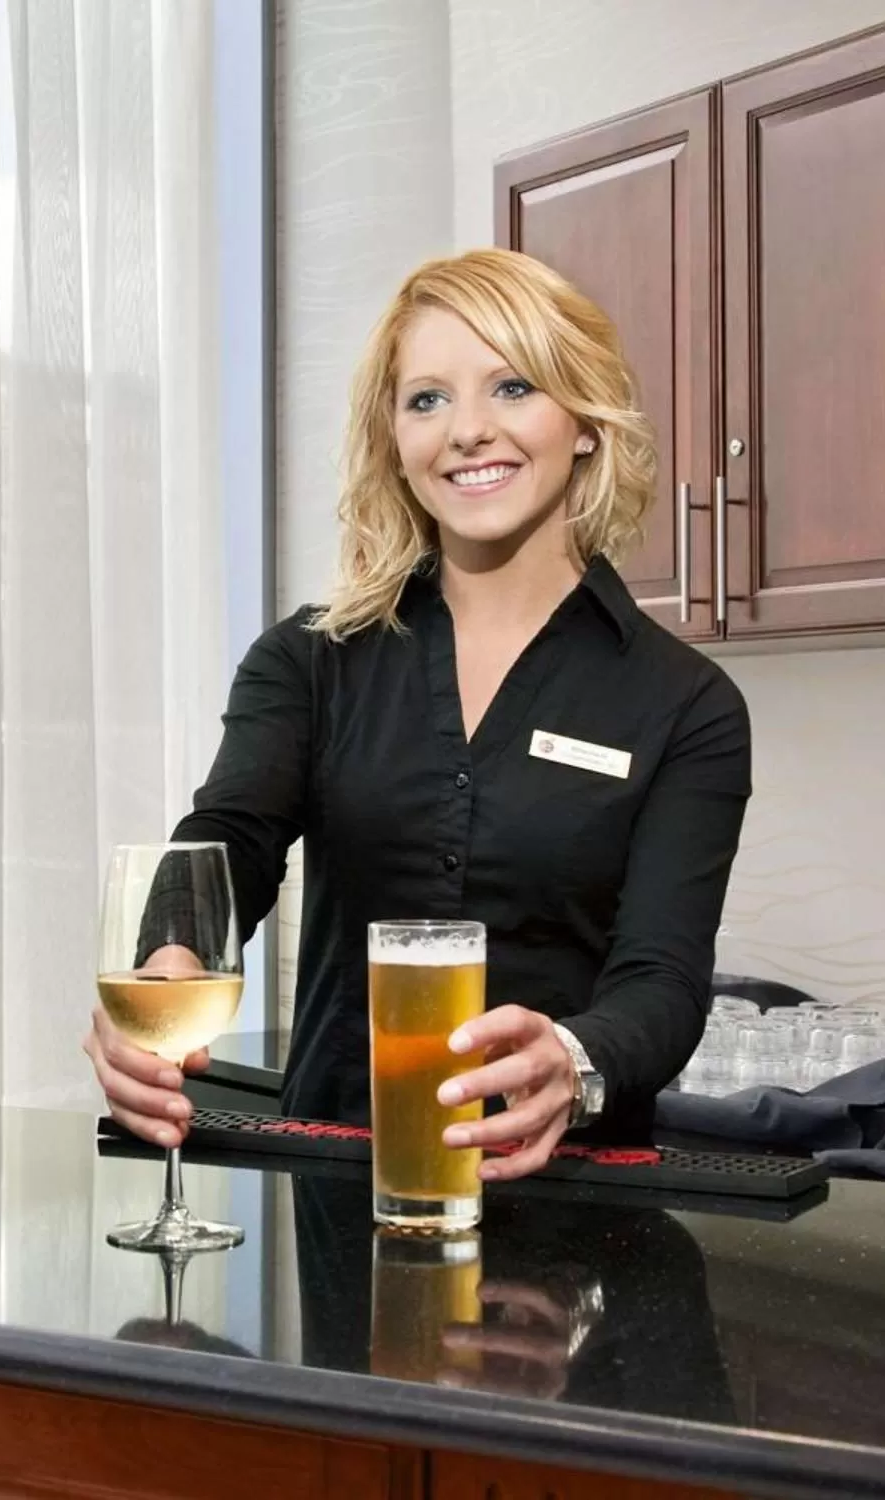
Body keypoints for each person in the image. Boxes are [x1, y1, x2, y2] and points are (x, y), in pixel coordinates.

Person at [85, 247, 751, 1180]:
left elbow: (664, 982)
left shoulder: (686, 705)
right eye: (427, 399)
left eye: (512, 387)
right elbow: (226, 842)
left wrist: (578, 1058)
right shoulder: (309, 661)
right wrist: (166, 962)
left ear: (586, 422)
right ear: (395, 440)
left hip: (578, 1208)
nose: (468, 431)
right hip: (335, 1190)